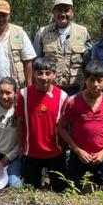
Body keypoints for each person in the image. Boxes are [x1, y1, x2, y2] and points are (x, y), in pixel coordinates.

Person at [58, 60, 103, 191]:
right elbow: (61, 127)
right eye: (91, 80)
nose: (95, 84)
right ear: (85, 80)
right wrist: (77, 150)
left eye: (99, 80)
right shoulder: (73, 101)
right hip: (78, 155)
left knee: (101, 191)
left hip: (101, 156)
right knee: (73, 189)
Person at [16, 57, 69, 191]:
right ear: (33, 74)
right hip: (31, 153)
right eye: (39, 73)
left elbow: (65, 126)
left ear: (54, 75)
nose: (43, 77)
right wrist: (21, 147)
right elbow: (20, 122)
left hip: (55, 153)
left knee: (60, 190)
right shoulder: (24, 94)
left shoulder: (63, 96)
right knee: (29, 191)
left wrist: (63, 147)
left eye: (48, 73)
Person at [33, 0, 92, 95]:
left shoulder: (83, 32)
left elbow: (89, 62)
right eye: (59, 10)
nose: (63, 14)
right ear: (53, 13)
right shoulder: (42, 33)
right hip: (50, 88)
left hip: (76, 89)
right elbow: (35, 62)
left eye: (66, 10)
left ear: (72, 13)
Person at [0, 77, 23, 189]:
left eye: (8, 93)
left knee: (15, 185)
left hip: (15, 155)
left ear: (15, 93)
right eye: (1, 92)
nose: (4, 97)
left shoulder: (20, 108)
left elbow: (22, 140)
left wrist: (7, 158)